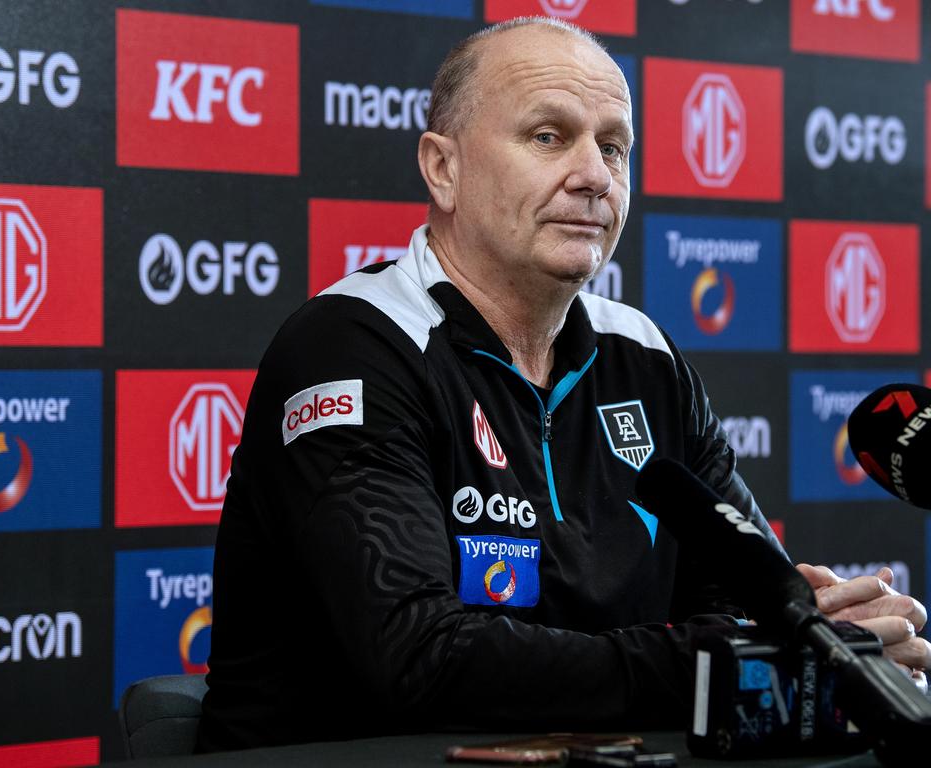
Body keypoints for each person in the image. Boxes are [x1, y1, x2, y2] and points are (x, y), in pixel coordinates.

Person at [197, 17, 930, 752]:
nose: (595, 176)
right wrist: (721, 662)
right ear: (441, 168)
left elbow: (744, 601)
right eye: (548, 137)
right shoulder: (350, 346)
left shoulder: (646, 358)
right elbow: (418, 658)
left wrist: (833, 640)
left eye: (614, 146)